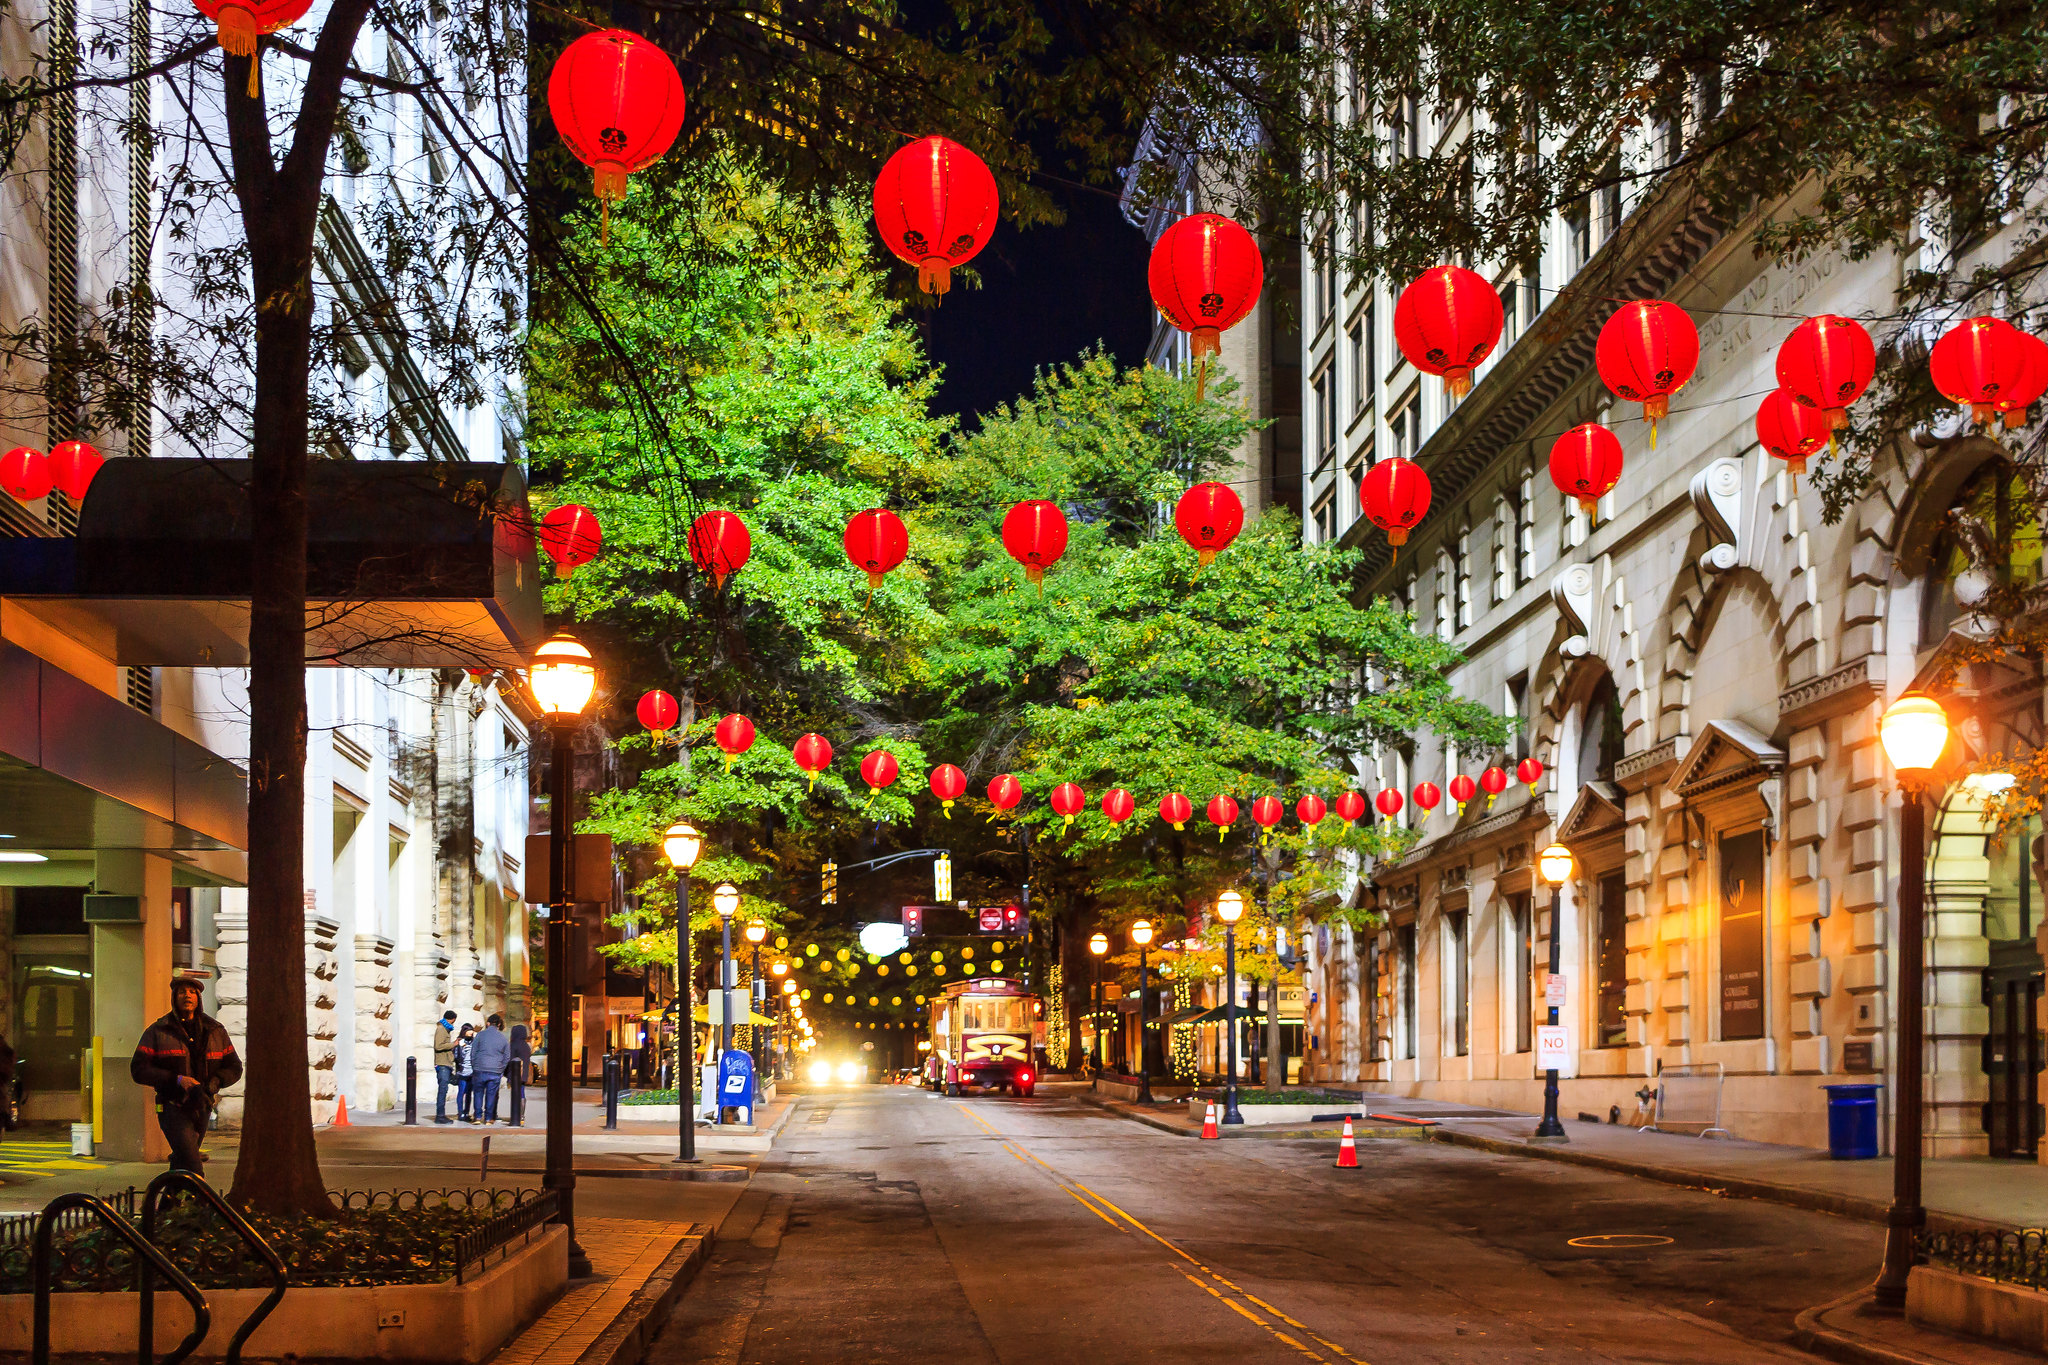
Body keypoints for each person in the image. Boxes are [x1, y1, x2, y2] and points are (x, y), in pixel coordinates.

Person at [130, 978, 241, 1173]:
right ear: (174, 997)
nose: (187, 996)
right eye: (182, 992)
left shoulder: (215, 1030)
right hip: (171, 1106)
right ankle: (202, 1201)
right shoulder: (158, 1031)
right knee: (192, 1163)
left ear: (198, 998)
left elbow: (234, 1066)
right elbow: (138, 1069)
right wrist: (177, 1080)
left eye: (191, 992)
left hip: (203, 1105)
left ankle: (167, 1203)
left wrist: (215, 1082)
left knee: (182, 1164)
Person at [471, 1014, 510, 1124]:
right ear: (498, 1024)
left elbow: (473, 1052)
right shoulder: (503, 1038)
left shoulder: (480, 1035)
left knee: (478, 1093)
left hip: (480, 1067)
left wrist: (474, 1065)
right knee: (491, 1094)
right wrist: (501, 1068)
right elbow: (507, 1056)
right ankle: (488, 1118)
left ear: (488, 1023)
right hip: (495, 1069)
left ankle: (477, 1117)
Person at [433, 1010, 458, 1124]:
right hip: (442, 1063)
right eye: (453, 1021)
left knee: (445, 1088)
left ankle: (441, 1115)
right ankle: (440, 1116)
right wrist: (453, 1044)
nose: (453, 1024)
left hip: (446, 1063)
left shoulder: (445, 1029)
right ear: (451, 1019)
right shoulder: (441, 1029)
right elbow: (438, 1046)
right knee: (442, 1090)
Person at [507, 1024, 532, 1125]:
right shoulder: (526, 1045)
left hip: (514, 1073)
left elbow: (509, 1059)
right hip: (523, 1073)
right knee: (522, 1092)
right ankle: (521, 1116)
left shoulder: (513, 1045)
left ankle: (516, 1116)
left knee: (515, 1093)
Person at [454, 1023, 476, 1122]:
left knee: (469, 1093)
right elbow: (456, 1056)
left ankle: (466, 1112)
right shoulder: (460, 1042)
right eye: (469, 1030)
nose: (471, 1032)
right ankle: (460, 1112)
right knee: (461, 1092)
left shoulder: (474, 1042)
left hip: (472, 1071)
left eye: (472, 1030)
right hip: (462, 1071)